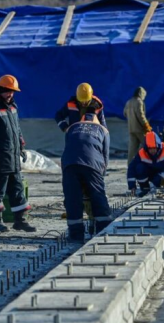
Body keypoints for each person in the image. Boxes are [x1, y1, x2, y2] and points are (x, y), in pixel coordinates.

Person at [0, 74, 36, 233]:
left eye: (12, 92)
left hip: (13, 158)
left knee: (17, 189)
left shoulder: (12, 107)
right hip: (0, 159)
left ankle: (20, 221)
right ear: (1, 89)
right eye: (8, 91)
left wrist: (21, 146)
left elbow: (16, 129)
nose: (10, 94)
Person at [62, 113, 112, 242]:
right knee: (98, 195)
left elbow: (68, 148)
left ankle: (75, 235)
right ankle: (103, 230)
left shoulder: (72, 127)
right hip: (92, 163)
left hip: (69, 164)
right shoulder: (103, 130)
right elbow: (105, 155)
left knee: (72, 199)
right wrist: (101, 175)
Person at [127, 131, 164, 196]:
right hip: (150, 172)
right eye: (150, 149)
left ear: (158, 146)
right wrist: (132, 186)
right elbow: (131, 168)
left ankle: (158, 186)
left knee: (158, 181)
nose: (152, 150)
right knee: (139, 168)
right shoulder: (142, 153)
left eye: (154, 148)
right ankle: (145, 188)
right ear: (146, 148)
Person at [123, 86, 152, 164]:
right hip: (140, 129)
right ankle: (146, 163)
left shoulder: (128, 102)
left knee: (132, 149)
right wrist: (146, 125)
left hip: (131, 128)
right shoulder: (139, 102)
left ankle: (130, 165)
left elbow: (124, 113)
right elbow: (141, 115)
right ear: (141, 94)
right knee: (147, 145)